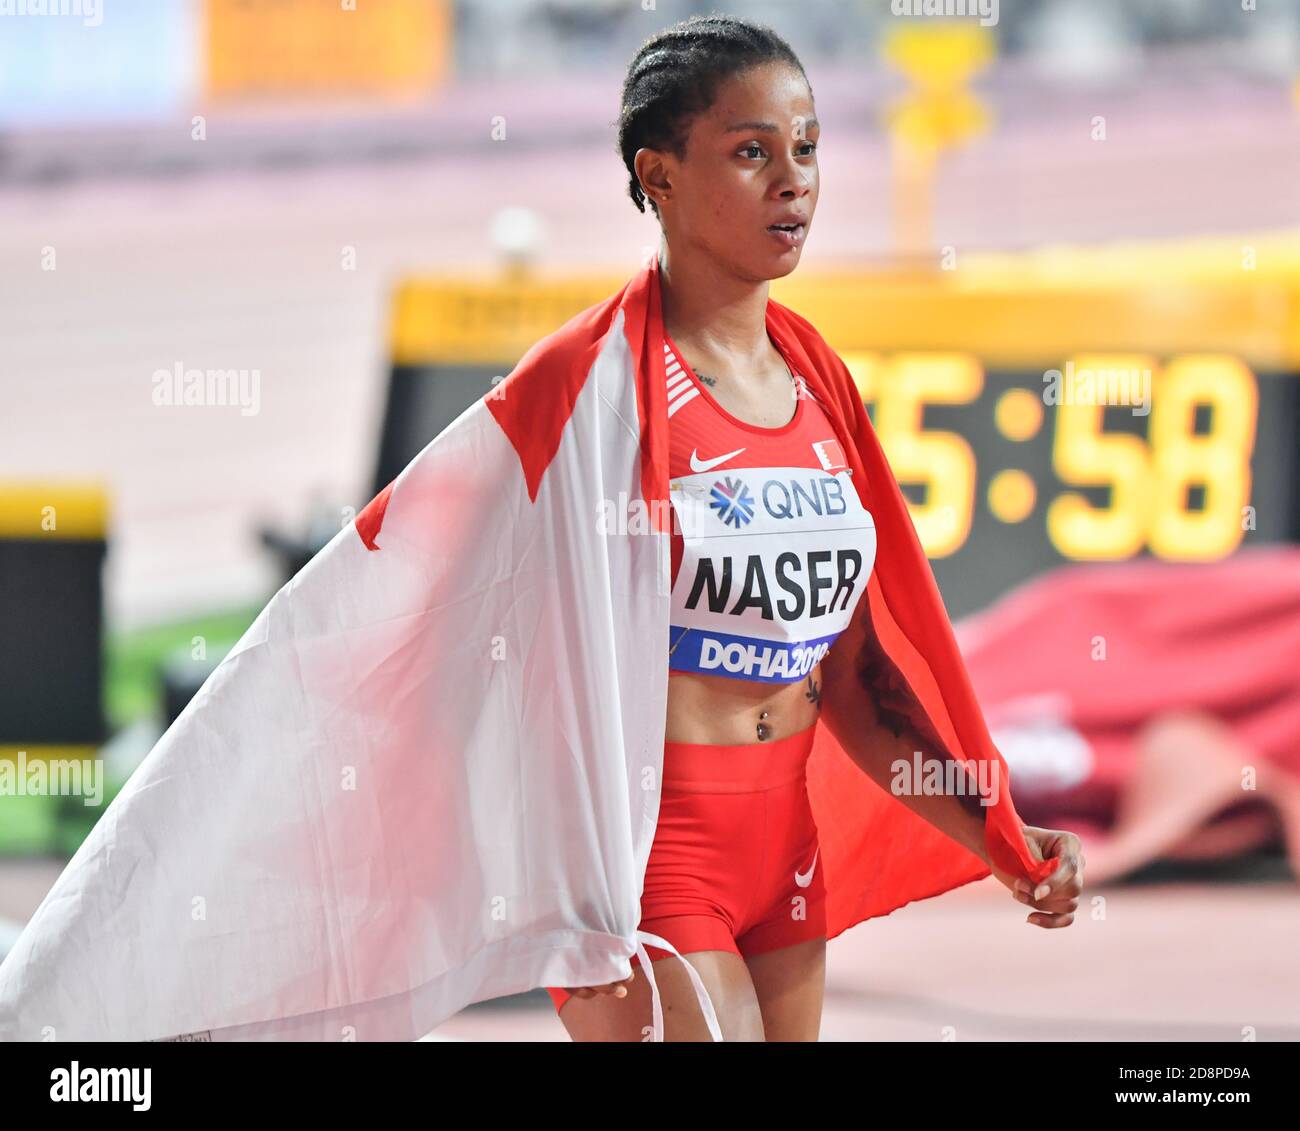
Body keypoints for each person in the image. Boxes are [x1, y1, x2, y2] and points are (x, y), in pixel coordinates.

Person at [542, 15, 1084, 1042]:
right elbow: (465, 611)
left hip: (782, 852)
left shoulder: (816, 379)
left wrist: (1002, 837)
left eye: (806, 148)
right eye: (750, 152)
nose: (792, 180)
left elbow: (859, 686)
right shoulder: (596, 383)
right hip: (651, 861)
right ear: (657, 177)